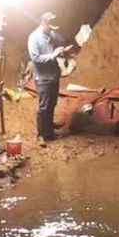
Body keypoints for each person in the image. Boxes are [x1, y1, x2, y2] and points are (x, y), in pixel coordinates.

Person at [27, 12, 70, 143]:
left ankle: (49, 131)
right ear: (44, 24)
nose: (52, 30)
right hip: (42, 77)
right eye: (51, 27)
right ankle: (40, 134)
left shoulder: (50, 34)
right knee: (44, 106)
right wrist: (53, 55)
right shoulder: (34, 37)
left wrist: (63, 50)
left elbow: (60, 41)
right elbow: (35, 58)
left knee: (52, 104)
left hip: (53, 75)